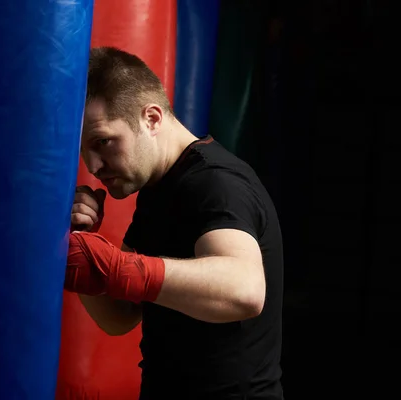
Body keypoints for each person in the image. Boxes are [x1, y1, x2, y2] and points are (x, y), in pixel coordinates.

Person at [65, 47, 284, 400]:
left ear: (151, 118)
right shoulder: (158, 189)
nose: (92, 165)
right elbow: (121, 318)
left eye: (103, 142)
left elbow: (245, 291)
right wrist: (82, 248)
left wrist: (119, 268)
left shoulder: (214, 183)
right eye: (83, 150)